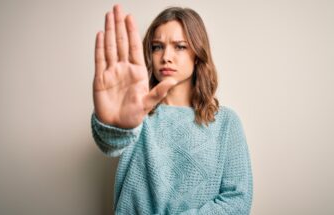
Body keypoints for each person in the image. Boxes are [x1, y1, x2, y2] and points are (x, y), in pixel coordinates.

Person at [91, 4, 253, 215]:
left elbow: (237, 201)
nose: (166, 56)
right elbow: (111, 143)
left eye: (180, 46)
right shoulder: (137, 115)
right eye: (157, 46)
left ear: (198, 53)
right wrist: (113, 126)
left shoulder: (226, 122)